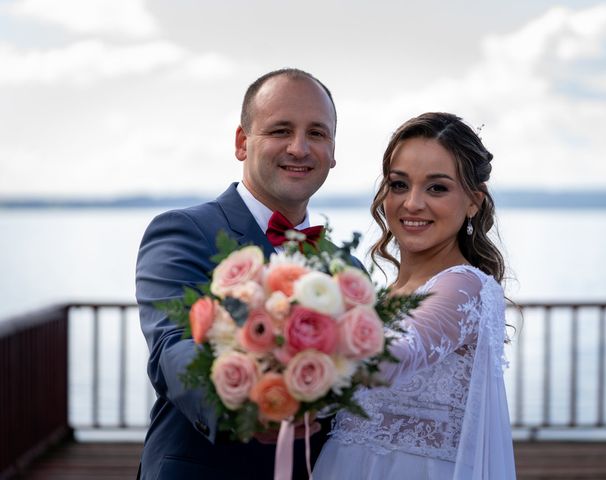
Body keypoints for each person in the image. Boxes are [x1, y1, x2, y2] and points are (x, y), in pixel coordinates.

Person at [136, 68, 345, 479]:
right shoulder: (182, 232)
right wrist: (248, 407)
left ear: (333, 151)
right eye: (281, 130)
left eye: (317, 133)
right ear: (241, 142)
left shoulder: (344, 267)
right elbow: (173, 349)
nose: (299, 148)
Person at [313, 112, 516, 479]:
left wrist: (288, 332)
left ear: (473, 201)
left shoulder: (463, 285)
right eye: (399, 184)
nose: (412, 204)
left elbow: (394, 356)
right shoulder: (382, 296)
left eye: (437, 188)